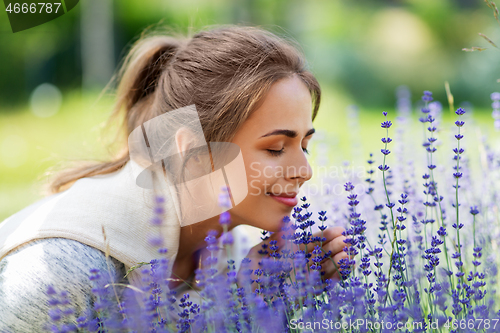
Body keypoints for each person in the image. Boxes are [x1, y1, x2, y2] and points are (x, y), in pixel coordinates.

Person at [0, 25, 348, 331]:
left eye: (305, 145)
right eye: (275, 148)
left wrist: (245, 298)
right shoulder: (66, 270)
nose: (305, 171)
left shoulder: (207, 249)